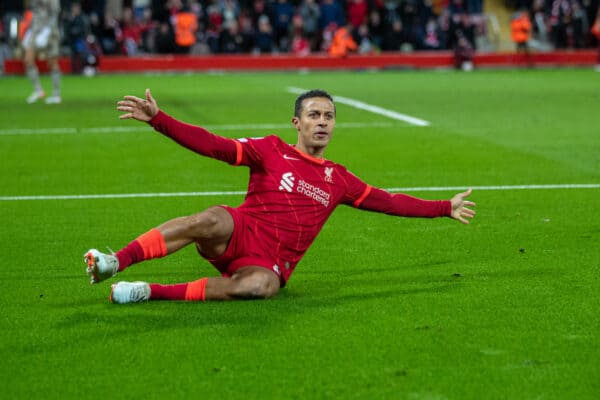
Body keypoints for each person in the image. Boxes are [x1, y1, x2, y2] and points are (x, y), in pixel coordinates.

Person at [85, 89, 476, 304]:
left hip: (269, 262)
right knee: (208, 219)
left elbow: (389, 201)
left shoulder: (338, 179)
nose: (322, 122)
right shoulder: (270, 149)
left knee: (259, 289)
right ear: (297, 123)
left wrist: (445, 208)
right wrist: (160, 120)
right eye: (314, 115)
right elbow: (214, 146)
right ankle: (115, 262)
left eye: (328, 116)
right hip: (238, 232)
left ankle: (148, 292)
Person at [22, 0, 61, 104]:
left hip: (51, 32)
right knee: (28, 59)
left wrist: (46, 32)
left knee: (52, 62)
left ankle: (56, 95)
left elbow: (54, 15)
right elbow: (34, 13)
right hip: (35, 30)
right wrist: (29, 31)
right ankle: (38, 90)